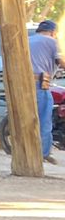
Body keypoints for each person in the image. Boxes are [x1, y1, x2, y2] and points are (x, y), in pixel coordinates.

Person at [30, 19, 62, 165]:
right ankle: (43, 153)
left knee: (29, 120)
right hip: (41, 84)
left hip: (24, 84)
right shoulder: (51, 41)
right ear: (53, 32)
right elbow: (60, 61)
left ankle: (31, 151)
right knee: (44, 120)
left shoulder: (28, 40)